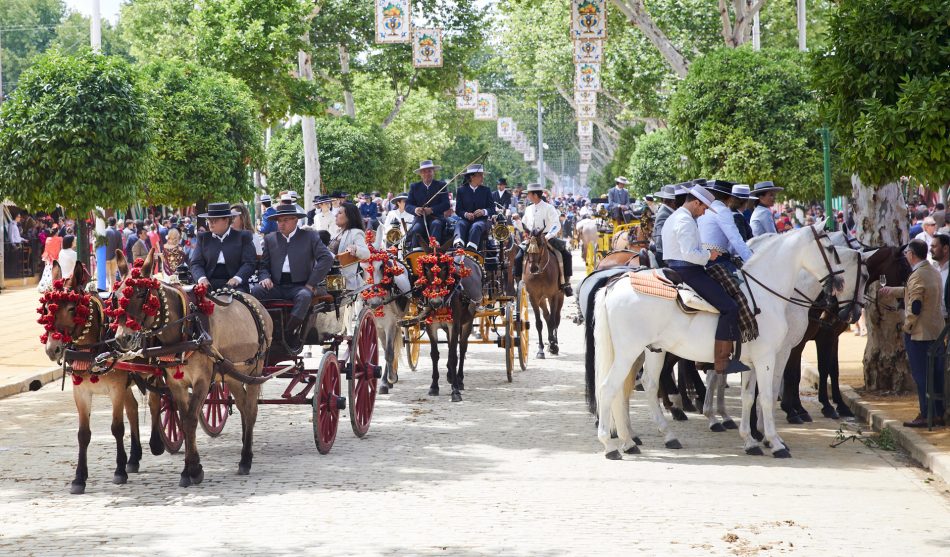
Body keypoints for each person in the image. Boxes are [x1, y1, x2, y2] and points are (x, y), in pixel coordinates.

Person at [661, 185, 748, 374]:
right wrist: (710, 254)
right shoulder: (685, 220)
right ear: (696, 202)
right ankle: (722, 361)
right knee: (730, 307)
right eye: (703, 208)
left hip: (678, 268)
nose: (703, 213)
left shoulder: (675, 217)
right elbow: (690, 254)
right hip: (689, 271)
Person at [880, 239, 946, 427]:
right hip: (936, 331)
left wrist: (907, 326)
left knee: (922, 376)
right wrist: (892, 291)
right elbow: (915, 291)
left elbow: (916, 305)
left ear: (911, 254)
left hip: (919, 334)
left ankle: (926, 414)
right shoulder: (932, 271)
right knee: (936, 374)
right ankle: (938, 413)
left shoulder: (917, 275)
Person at [251, 203, 334, 334]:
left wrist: (311, 283)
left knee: (304, 296)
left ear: (296, 220)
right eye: (279, 220)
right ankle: (262, 330)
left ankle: (287, 332)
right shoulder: (270, 238)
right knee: (255, 291)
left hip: (300, 286)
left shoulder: (309, 237)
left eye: (285, 220)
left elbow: (327, 258)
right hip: (276, 286)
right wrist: (265, 277)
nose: (281, 224)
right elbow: (264, 265)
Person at [512, 184, 573, 296]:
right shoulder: (529, 209)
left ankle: (566, 284)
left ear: (535, 195)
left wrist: (548, 236)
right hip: (531, 239)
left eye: (529, 194)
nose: (527, 196)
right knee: (517, 258)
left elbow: (556, 224)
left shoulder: (549, 208)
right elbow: (524, 226)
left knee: (566, 255)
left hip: (547, 237)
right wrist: (517, 221)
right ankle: (518, 285)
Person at [188, 203, 256, 293]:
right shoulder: (203, 238)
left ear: (227, 220)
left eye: (214, 220)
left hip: (235, 285)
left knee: (239, 302)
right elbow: (195, 263)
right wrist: (201, 278)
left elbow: (249, 263)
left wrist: (237, 279)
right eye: (209, 220)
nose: (210, 223)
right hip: (208, 284)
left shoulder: (243, 237)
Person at [698, 180, 753, 274]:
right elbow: (735, 239)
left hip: (703, 257)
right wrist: (752, 260)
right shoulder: (722, 210)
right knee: (741, 286)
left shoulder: (706, 209)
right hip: (718, 260)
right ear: (730, 198)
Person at [406, 160, 450, 249]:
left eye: (429, 171)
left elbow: (446, 204)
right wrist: (416, 209)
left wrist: (431, 210)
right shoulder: (414, 187)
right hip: (420, 218)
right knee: (416, 228)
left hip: (437, 217)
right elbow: (408, 205)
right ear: (421, 174)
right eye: (424, 172)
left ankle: (434, 250)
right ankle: (416, 251)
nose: (427, 174)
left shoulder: (441, 185)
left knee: (436, 224)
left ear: (433, 172)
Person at [329, 203, 371, 291]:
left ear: (349, 217)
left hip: (342, 282)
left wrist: (355, 248)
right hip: (328, 277)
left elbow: (366, 253)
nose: (336, 215)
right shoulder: (336, 232)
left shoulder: (355, 232)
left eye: (340, 213)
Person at [453, 164, 495, 250]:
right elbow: (458, 210)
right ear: (472, 177)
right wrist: (465, 214)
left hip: (482, 221)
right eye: (480, 175)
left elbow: (492, 209)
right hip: (465, 220)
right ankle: (458, 245)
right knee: (460, 224)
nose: (482, 178)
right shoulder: (461, 190)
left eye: (482, 175)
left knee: (476, 226)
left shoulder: (486, 190)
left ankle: (471, 249)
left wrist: (483, 211)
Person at [651, 185, 678, 266]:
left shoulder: (668, 211)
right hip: (664, 257)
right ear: (673, 201)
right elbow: (660, 240)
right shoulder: (664, 214)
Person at [931, 234, 950, 321]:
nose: (930, 250)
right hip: (933, 322)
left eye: (934, 246)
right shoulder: (932, 269)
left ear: (945, 249)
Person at [104, 217, 122, 288]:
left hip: (105, 257)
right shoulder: (118, 233)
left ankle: (105, 289)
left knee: (105, 275)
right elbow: (120, 247)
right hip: (114, 257)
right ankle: (112, 291)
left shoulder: (104, 231)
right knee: (113, 275)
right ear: (115, 223)